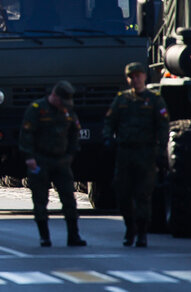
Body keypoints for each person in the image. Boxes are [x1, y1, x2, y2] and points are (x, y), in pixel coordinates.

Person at [103, 62, 169, 247]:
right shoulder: (121, 100)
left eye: (139, 75)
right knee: (123, 194)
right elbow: (110, 121)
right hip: (125, 153)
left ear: (145, 77)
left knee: (143, 195)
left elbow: (163, 127)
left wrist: (160, 150)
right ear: (128, 79)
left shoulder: (155, 100)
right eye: (132, 76)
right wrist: (108, 138)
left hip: (146, 153)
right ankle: (129, 228)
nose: (136, 79)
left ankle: (141, 232)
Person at [19, 81, 87, 247]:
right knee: (41, 200)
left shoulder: (67, 110)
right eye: (61, 101)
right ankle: (44, 237)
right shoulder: (37, 109)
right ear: (54, 96)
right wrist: (29, 157)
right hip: (40, 160)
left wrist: (71, 154)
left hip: (61, 160)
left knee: (69, 199)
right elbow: (26, 134)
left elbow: (74, 133)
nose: (63, 105)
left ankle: (73, 236)